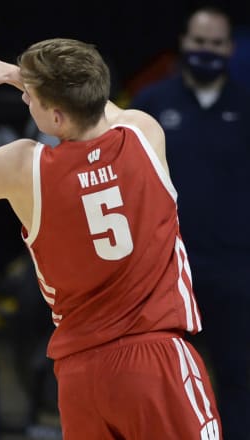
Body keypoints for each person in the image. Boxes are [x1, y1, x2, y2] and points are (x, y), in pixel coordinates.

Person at [0, 18, 222, 439]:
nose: (25, 99)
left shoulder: (23, 169)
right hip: (155, 361)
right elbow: (93, 106)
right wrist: (16, 75)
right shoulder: (143, 133)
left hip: (82, 377)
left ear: (57, 116)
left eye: (31, 96)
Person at [130, 6, 250, 439]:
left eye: (216, 44)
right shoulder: (150, 105)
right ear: (184, 43)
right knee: (165, 379)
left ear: (230, 49)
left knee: (238, 376)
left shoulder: (246, 104)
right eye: (200, 42)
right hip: (168, 270)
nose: (207, 51)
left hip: (237, 271)